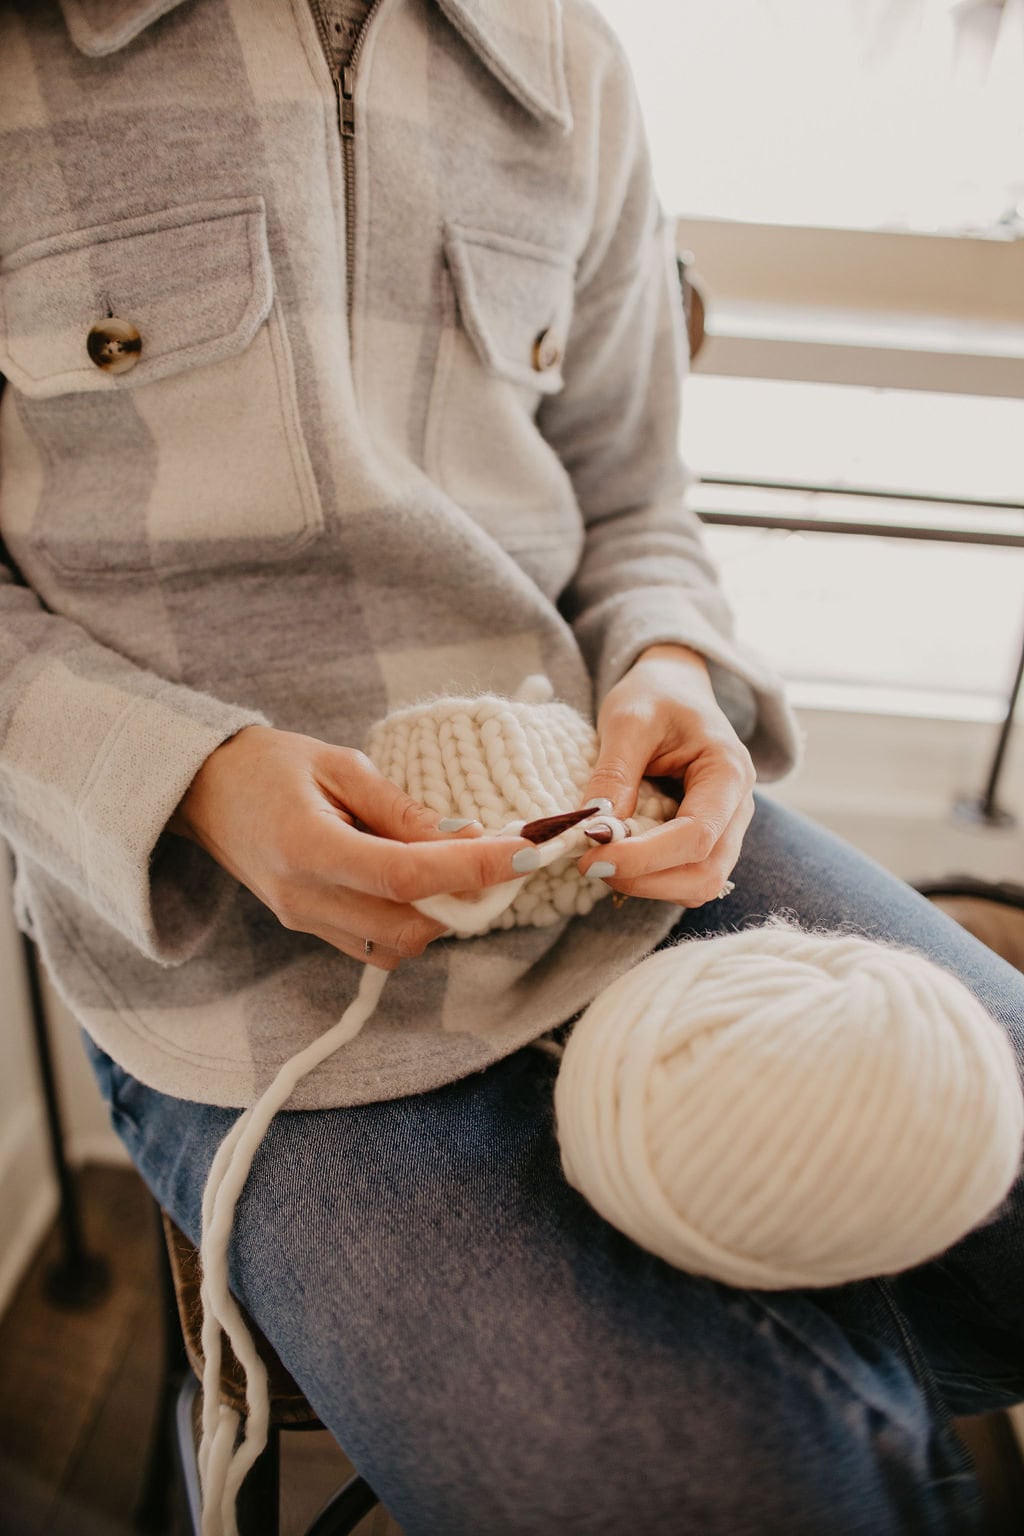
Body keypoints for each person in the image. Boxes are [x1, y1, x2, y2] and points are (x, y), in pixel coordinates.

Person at [1, 2, 1021, 1530]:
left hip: (621, 842)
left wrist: (674, 671)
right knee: (727, 1483)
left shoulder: (568, 66)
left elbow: (637, 507)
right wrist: (197, 777)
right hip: (232, 960)